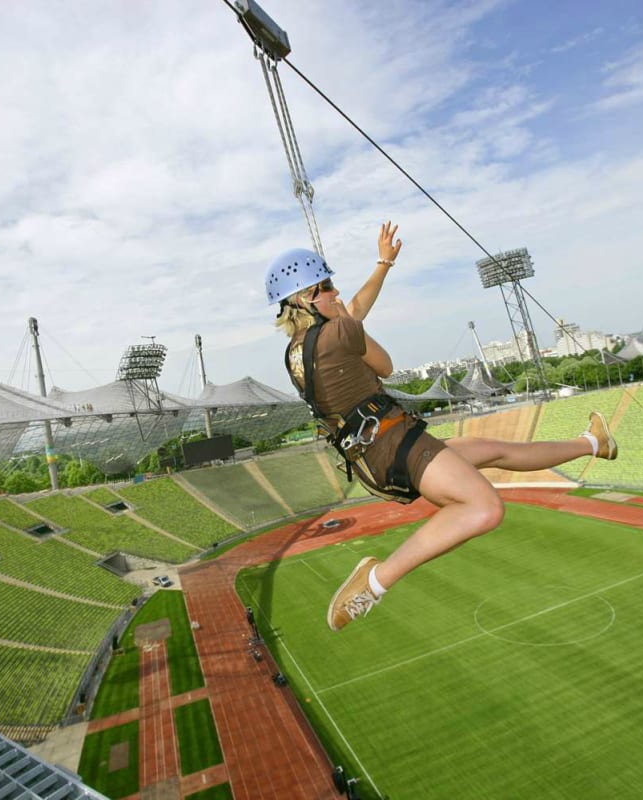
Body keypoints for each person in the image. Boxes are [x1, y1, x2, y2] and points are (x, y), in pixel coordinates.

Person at [265, 222, 618, 631]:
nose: (337, 293)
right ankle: (375, 583)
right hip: (394, 444)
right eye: (328, 287)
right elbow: (384, 363)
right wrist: (360, 298)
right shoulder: (339, 331)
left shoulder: (297, 351)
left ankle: (594, 443)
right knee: (484, 508)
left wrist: (382, 265)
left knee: (494, 450)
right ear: (308, 297)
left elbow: (354, 313)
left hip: (378, 452)